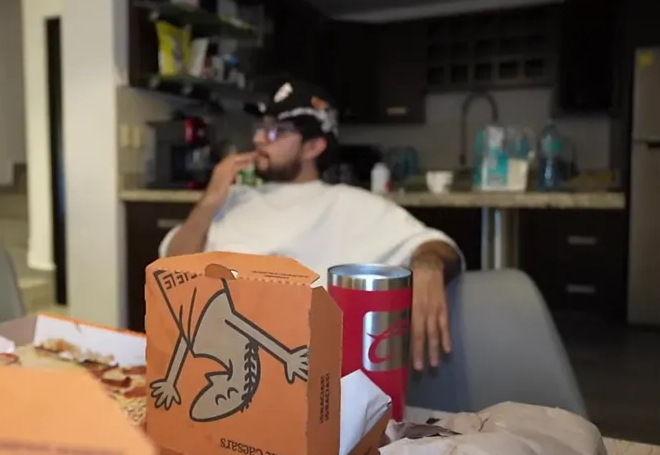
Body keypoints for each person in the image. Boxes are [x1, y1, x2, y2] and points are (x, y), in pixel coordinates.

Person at [161, 79, 464, 369]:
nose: (258, 139)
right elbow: (172, 268)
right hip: (210, 361)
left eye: (276, 131)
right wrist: (212, 198)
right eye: (261, 128)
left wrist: (428, 266)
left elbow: (436, 246)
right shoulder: (232, 199)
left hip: (299, 369)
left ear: (312, 147)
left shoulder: (351, 205)